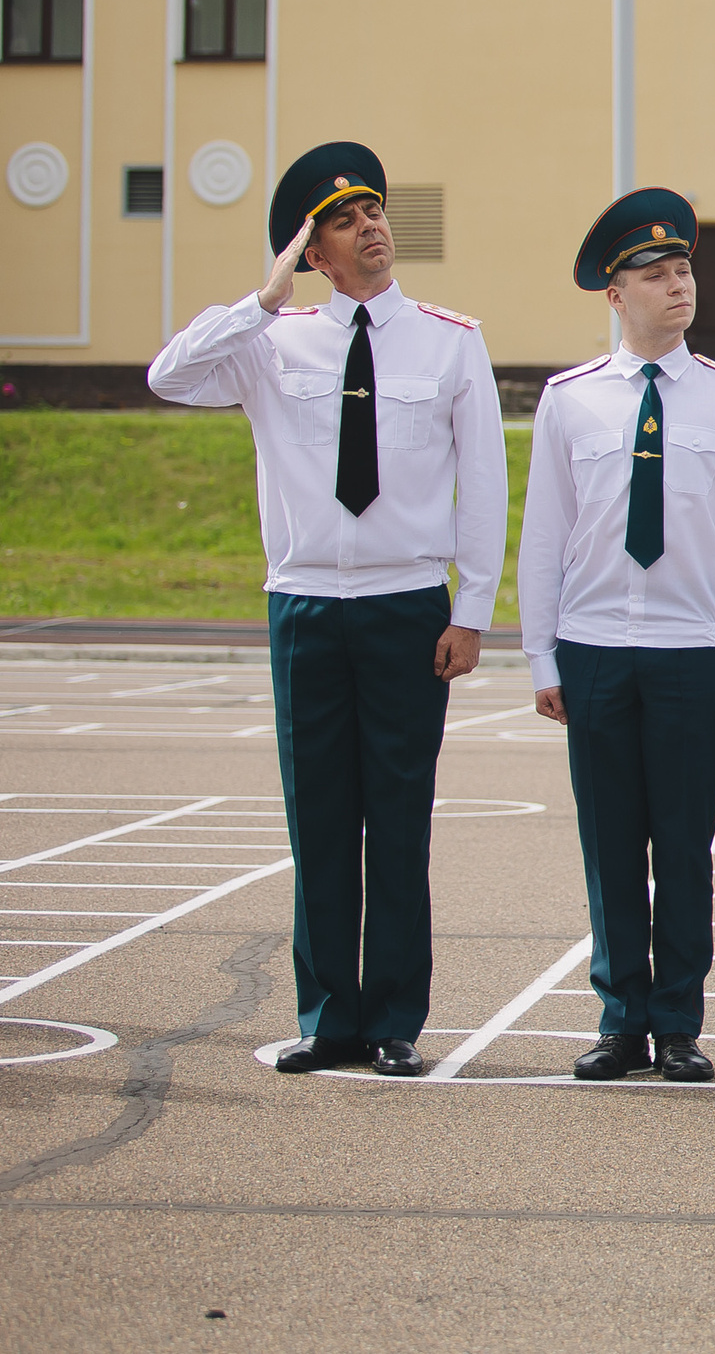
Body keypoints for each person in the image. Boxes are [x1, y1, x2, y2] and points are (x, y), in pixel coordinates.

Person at [147, 141, 504, 1076]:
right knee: (318, 819)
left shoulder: (449, 339)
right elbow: (168, 376)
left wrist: (471, 609)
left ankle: (393, 1019)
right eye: (344, 220)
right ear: (313, 253)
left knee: (398, 817)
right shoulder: (271, 342)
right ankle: (328, 1017)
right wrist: (260, 301)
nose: (370, 226)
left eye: (374, 210)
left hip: (405, 607)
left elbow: (484, 483)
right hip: (305, 605)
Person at [519, 190, 715, 1084]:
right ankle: (621, 1016)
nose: (679, 285)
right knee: (611, 845)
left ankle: (678, 1023)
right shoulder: (570, 400)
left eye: (684, 269)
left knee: (684, 846)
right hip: (594, 645)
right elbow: (544, 534)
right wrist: (542, 653)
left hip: (692, 649)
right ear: (615, 293)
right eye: (657, 274)